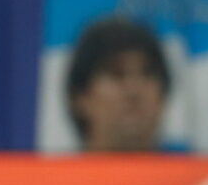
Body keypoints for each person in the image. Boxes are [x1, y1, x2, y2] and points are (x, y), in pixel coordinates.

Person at [66, 17, 170, 152]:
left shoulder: (199, 172)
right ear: (81, 97)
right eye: (116, 74)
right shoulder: (45, 173)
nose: (134, 90)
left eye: (147, 73)